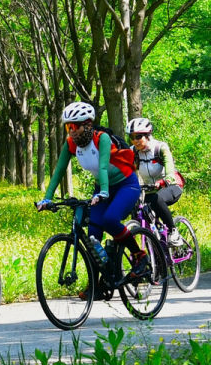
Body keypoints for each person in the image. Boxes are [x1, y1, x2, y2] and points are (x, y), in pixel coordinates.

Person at [36, 102, 149, 285]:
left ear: (88, 125)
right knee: (92, 236)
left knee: (110, 220)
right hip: (102, 188)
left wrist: (103, 191)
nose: (71, 132)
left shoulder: (101, 138)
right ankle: (96, 285)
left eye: (74, 127)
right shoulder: (71, 144)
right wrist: (47, 198)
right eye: (68, 127)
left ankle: (139, 255)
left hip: (126, 185)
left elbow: (103, 166)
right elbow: (59, 171)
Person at [127, 116, 186, 247]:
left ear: (148, 135)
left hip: (171, 186)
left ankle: (173, 230)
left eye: (138, 136)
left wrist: (166, 180)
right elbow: (126, 171)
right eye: (132, 137)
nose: (135, 141)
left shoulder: (160, 147)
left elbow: (169, 167)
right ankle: (154, 247)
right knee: (136, 209)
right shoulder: (133, 152)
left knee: (156, 199)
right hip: (150, 190)